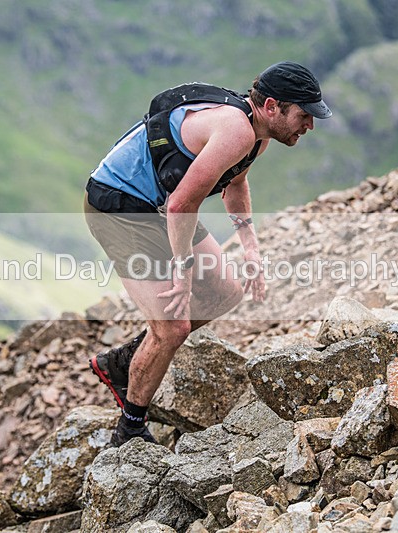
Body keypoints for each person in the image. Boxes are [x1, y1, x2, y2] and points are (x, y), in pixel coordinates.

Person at [84, 61, 332, 447]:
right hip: (119, 206)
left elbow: (236, 182)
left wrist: (250, 247)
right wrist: (182, 273)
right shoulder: (236, 131)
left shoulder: (258, 133)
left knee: (226, 292)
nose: (310, 126)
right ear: (272, 106)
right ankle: (129, 428)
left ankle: (123, 362)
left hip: (163, 206)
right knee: (173, 327)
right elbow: (183, 204)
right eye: (303, 115)